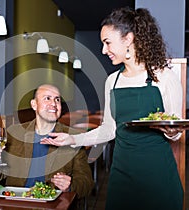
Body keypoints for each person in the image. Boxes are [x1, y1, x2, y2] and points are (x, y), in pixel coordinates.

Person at [41, 7, 184, 210]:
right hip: (122, 173)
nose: (103, 50)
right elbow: (109, 129)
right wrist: (72, 139)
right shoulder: (112, 81)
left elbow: (175, 126)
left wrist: (172, 133)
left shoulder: (164, 77)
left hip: (158, 173)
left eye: (107, 42)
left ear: (128, 39)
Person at [0, 84, 94, 209]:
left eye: (57, 99)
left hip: (53, 206)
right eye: (47, 98)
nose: (53, 103)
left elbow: (87, 183)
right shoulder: (14, 134)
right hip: (16, 205)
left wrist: (70, 185)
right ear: (34, 104)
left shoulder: (72, 137)